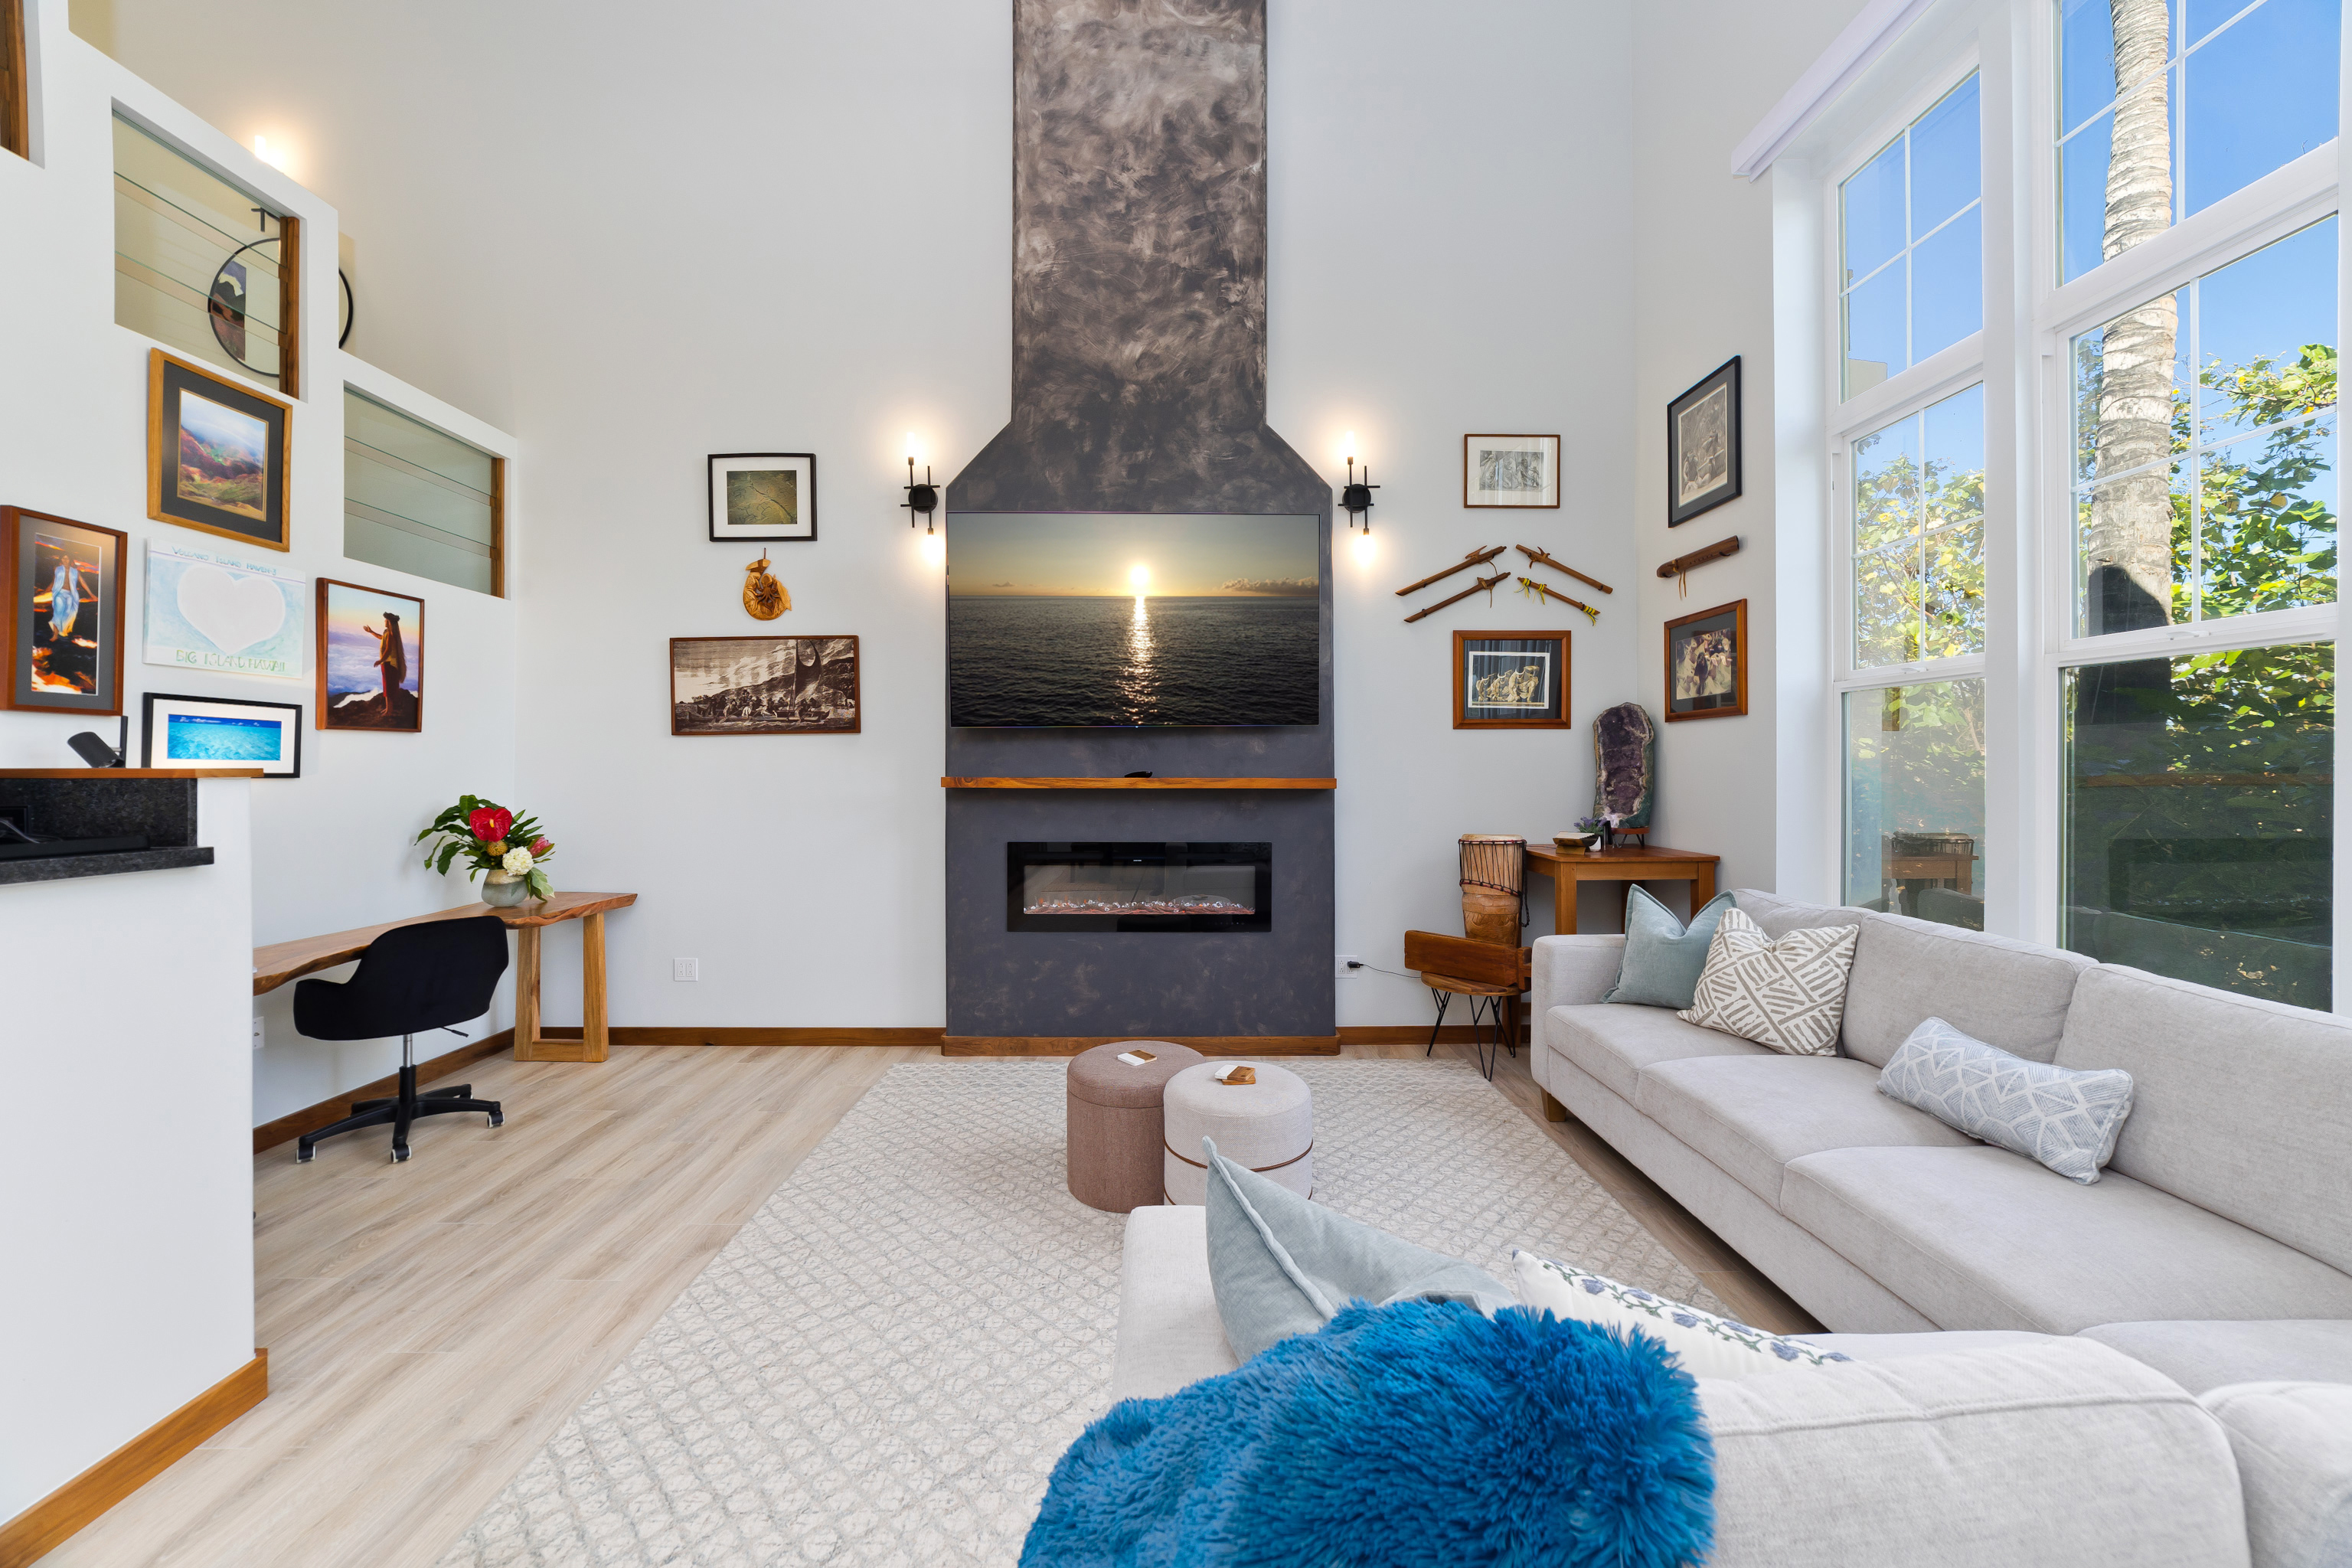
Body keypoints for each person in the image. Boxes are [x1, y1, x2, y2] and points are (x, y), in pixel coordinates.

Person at [363, 612, 406, 710]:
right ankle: (388, 709)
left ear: (389, 622)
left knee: (389, 687)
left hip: (389, 663)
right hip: (386, 663)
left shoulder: (391, 635)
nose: (384, 621)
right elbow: (380, 637)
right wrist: (371, 631)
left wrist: (380, 660)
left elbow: (389, 649)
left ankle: (389, 710)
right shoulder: (387, 632)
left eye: (386, 620)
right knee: (387, 686)